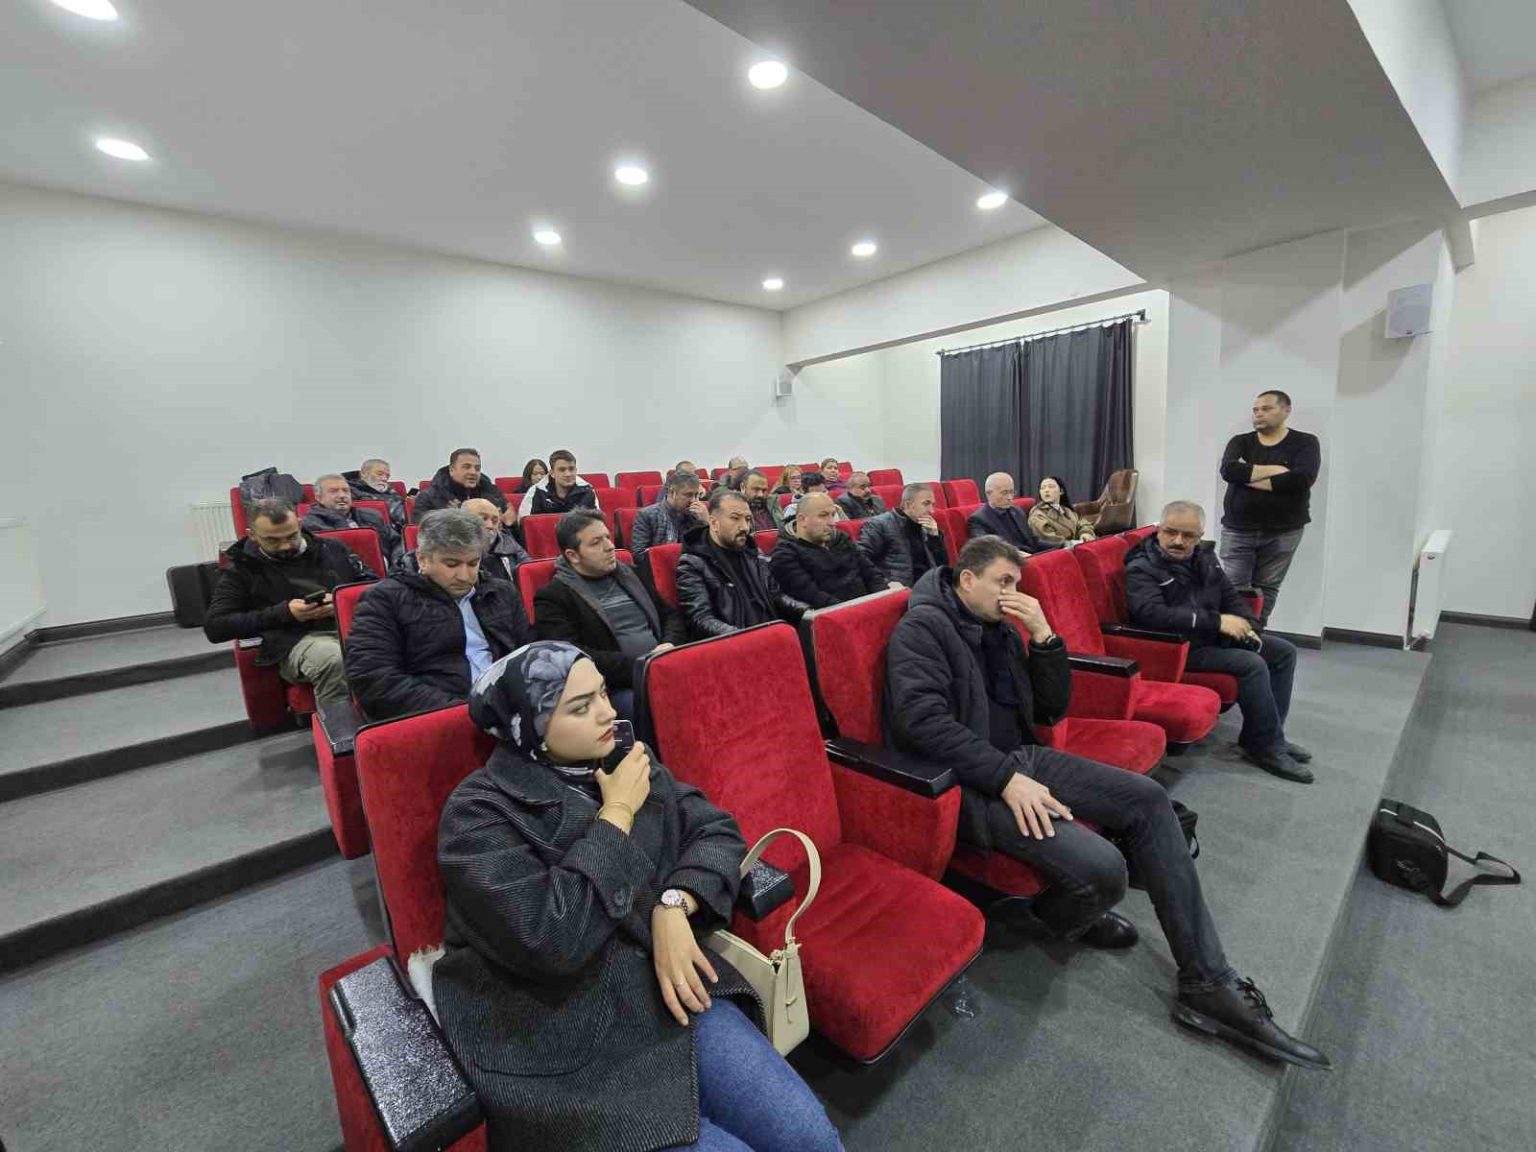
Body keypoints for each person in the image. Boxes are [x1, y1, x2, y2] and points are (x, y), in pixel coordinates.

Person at [885, 535, 1329, 1071]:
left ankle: (1207, 982)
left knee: (1149, 799)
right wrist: (1005, 779)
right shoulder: (922, 629)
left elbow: (1050, 708)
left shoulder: (998, 626)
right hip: (971, 782)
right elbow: (922, 723)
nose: (1013, 594)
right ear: (967, 579)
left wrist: (1045, 637)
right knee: (1106, 869)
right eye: (1003, 582)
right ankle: (1054, 911)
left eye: (1017, 584)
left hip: (1023, 758)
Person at [435, 642, 844, 1152]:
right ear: (529, 726)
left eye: (603, 694)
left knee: (810, 1138)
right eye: (580, 707)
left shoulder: (625, 757)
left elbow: (716, 831)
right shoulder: (477, 813)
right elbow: (552, 937)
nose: (608, 713)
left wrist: (675, 904)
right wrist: (618, 814)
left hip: (667, 988)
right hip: (565, 1040)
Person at [1125, 501, 1310, 782]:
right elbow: (1151, 614)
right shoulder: (1141, 566)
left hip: (1208, 637)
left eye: (1188, 535)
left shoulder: (1205, 558)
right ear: (1159, 529)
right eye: (1171, 532)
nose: (1178, 541)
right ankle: (1265, 747)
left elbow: (1230, 596)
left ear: (1199, 536)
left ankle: (1269, 737)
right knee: (1251, 664)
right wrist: (1217, 622)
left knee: (1284, 652)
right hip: (1174, 648)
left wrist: (1251, 626)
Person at [344, 509, 532, 720]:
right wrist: (465, 712)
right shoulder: (385, 599)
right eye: (452, 564)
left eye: (473, 563)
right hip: (441, 715)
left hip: (510, 706)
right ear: (423, 559)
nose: (464, 576)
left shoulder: (502, 592)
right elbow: (374, 679)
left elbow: (528, 654)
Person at [204, 498, 374, 704]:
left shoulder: (331, 548)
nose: (285, 545)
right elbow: (216, 626)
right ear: (252, 535)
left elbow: (375, 587)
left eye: (292, 536)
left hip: (351, 627)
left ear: (299, 525)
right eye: (272, 540)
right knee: (334, 659)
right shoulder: (241, 569)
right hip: (295, 641)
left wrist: (342, 601)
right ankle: (339, 723)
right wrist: (284, 613)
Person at [534, 509, 686, 718]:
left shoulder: (632, 574)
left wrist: (669, 644)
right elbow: (571, 655)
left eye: (607, 537)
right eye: (596, 542)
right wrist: (642, 666)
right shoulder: (553, 596)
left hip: (663, 664)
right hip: (613, 686)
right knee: (654, 704)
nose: (610, 546)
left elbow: (670, 616)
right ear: (573, 555)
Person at [1217, 390, 1322, 628]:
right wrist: (1278, 471)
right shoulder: (1240, 442)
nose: (1259, 414)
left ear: (1286, 410)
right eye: (1255, 410)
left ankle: (1254, 633)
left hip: (1284, 531)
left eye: (1266, 408)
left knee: (1267, 589)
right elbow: (1229, 471)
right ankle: (1232, 634)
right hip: (1238, 529)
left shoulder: (1305, 442)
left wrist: (1248, 475)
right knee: (1233, 588)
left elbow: (1301, 479)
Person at [677, 489, 808, 638]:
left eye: (747, 519)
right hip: (736, 643)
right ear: (714, 523)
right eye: (735, 518)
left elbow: (775, 596)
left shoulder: (752, 552)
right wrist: (745, 637)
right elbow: (700, 619)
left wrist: (806, 612)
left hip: (771, 633)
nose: (745, 527)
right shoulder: (692, 564)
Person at [769, 492, 896, 608]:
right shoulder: (785, 555)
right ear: (802, 520)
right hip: (839, 617)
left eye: (833, 515)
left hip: (870, 607)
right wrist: (861, 612)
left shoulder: (841, 538)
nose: (832, 523)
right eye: (823, 516)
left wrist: (885, 601)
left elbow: (872, 574)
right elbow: (815, 598)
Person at [859, 482, 948, 587]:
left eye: (933, 504)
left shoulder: (926, 526)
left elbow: (942, 565)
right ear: (908, 505)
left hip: (929, 586)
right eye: (926, 504)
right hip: (901, 588)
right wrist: (884, 583)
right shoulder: (879, 524)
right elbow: (862, 559)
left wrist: (934, 537)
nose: (932, 511)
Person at [302, 474, 402, 566]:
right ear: (319, 498)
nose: (342, 495)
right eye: (333, 491)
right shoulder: (310, 525)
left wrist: (396, 564)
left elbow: (396, 542)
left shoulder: (372, 515)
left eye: (346, 490)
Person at [628, 469, 708, 565]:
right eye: (688, 495)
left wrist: (706, 523)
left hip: (692, 567)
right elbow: (639, 555)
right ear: (672, 492)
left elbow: (710, 551)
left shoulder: (697, 515)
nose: (694, 500)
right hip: (660, 568)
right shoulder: (647, 515)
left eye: (696, 495)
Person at [414, 448, 513, 524]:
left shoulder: (492, 494)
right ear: (451, 470)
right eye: (466, 467)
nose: (473, 472)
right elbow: (421, 528)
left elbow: (510, 526)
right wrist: (450, 518)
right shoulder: (429, 497)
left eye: (477, 468)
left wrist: (507, 523)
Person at [966, 473, 1054, 552]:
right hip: (1010, 560)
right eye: (1004, 493)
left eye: (1012, 492)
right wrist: (1018, 555)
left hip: (1031, 555)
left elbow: (1034, 541)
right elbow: (988, 549)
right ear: (989, 494)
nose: (1010, 497)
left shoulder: (1017, 511)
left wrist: (1059, 546)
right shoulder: (978, 519)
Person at [463, 497, 530, 582]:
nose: (490, 526)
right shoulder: (454, 549)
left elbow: (529, 573)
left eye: (494, 521)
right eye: (483, 519)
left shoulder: (508, 543)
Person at [519, 449, 600, 517]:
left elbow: (597, 523)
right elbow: (526, 524)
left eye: (571, 469)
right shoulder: (536, 491)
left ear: (576, 470)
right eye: (562, 470)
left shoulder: (587, 490)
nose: (568, 474)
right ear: (552, 473)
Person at [1028, 476, 1095, 544]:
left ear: (1061, 491)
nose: (1046, 490)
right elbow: (1049, 540)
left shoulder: (1067, 510)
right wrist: (1075, 543)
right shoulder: (1037, 516)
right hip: (1061, 549)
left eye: (1051, 487)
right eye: (1042, 488)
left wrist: (1085, 533)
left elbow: (1083, 523)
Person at [344, 458, 409, 527]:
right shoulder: (350, 491)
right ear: (363, 474)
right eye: (379, 474)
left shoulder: (390, 491)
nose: (384, 479)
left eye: (387, 476)